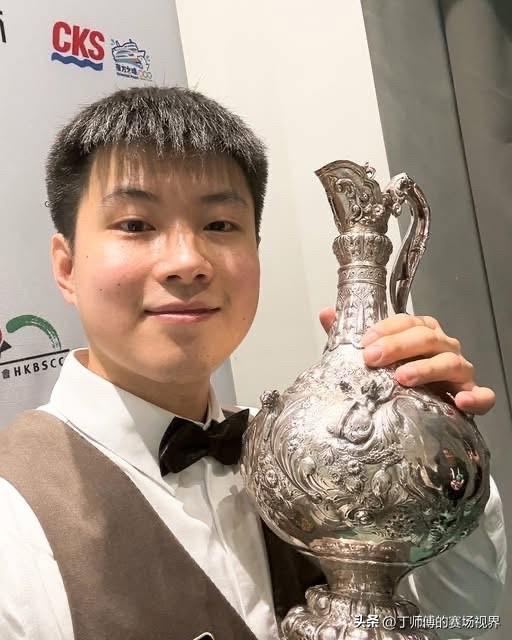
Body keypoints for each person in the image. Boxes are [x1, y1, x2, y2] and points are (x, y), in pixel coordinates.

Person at [0, 87, 505, 640]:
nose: (188, 262)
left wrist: (440, 448)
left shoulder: (305, 456)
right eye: (136, 225)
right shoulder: (13, 516)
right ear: (67, 267)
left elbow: (464, 624)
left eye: (219, 225)